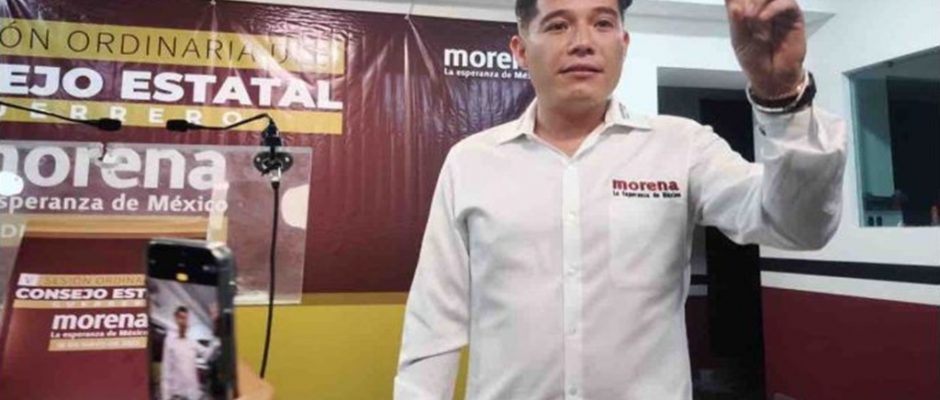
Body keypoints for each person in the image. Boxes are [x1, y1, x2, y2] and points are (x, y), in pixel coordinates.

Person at [395, 0, 846, 399]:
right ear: (520, 50)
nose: (583, 42)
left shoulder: (682, 146)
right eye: (558, 25)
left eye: (603, 23)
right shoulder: (471, 162)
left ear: (623, 43)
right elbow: (434, 323)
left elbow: (798, 227)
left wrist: (783, 99)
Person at [161, 306, 202, 400]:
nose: (184, 322)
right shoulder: (169, 341)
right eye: (182, 318)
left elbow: (208, 354)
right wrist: (165, 397)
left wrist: (216, 326)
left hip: (193, 396)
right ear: (175, 319)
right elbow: (166, 371)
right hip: (177, 396)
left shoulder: (191, 342)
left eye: (186, 319)